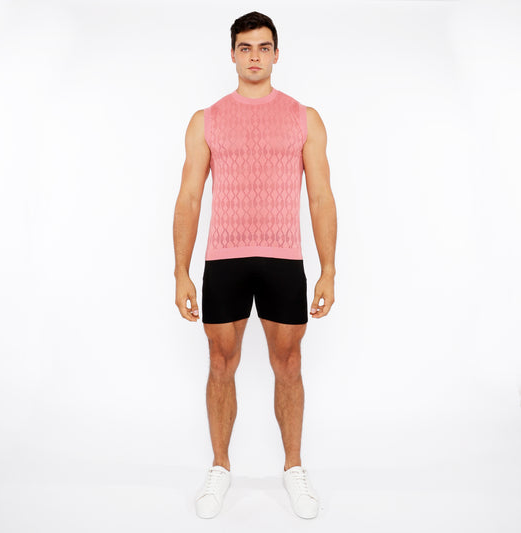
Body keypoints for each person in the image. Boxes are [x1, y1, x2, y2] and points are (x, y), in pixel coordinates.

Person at [173, 11, 336, 519]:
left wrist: (328, 269)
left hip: (284, 258)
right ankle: (220, 467)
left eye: (264, 47)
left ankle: (294, 468)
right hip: (224, 258)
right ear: (232, 54)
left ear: (277, 54)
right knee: (221, 363)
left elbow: (321, 197)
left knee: (289, 364)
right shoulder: (206, 120)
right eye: (245, 48)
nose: (254, 57)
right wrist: (180, 271)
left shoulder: (304, 118)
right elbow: (189, 198)